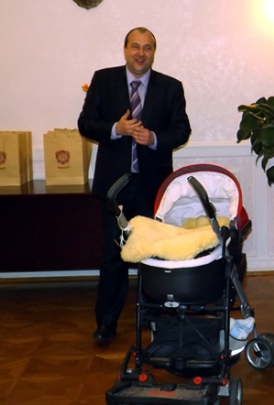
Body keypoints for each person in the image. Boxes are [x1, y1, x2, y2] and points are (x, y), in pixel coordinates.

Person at [78, 27, 192, 342]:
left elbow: (181, 130)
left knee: (153, 256)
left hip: (153, 187)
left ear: (153, 52)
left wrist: (153, 137)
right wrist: (116, 128)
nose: (141, 53)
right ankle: (106, 324)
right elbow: (86, 123)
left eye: (147, 47)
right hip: (114, 187)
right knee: (112, 256)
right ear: (125, 49)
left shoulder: (171, 87)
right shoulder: (104, 80)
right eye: (135, 46)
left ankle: (154, 320)